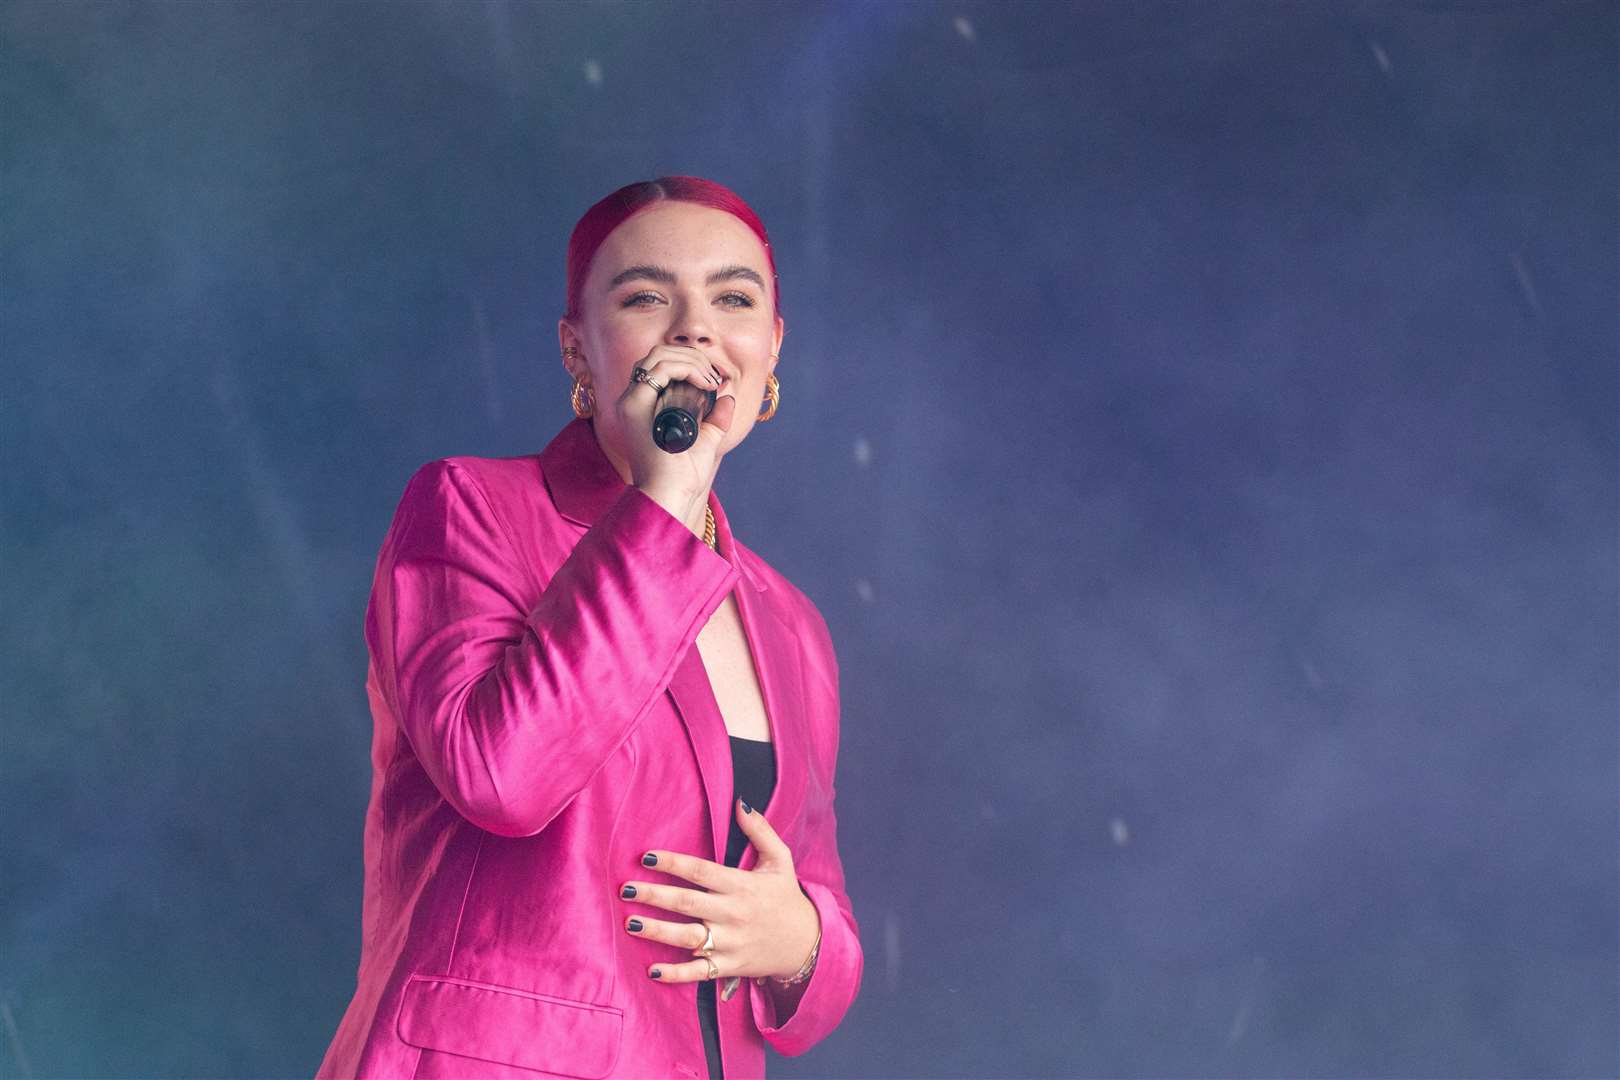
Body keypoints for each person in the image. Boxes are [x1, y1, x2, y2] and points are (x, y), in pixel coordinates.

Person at [316, 176, 863, 1079]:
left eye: (733, 298)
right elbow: (504, 777)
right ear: (579, 349)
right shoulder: (470, 507)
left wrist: (800, 937)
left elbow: (820, 918)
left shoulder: (790, 622)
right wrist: (668, 495)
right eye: (646, 297)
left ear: (772, 347)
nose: (694, 328)